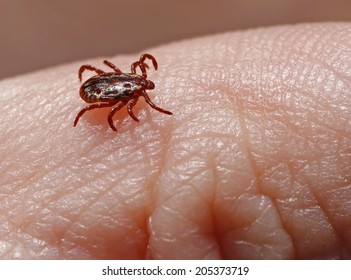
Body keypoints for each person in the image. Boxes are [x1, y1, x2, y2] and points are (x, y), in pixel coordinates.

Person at [0, 22, 350, 259]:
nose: (146, 89)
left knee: (106, 95)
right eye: (144, 85)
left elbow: (105, 84)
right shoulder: (132, 94)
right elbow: (117, 107)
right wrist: (138, 111)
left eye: (143, 84)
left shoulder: (128, 85)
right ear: (140, 85)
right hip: (101, 90)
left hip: (99, 88)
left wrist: (119, 100)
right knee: (109, 102)